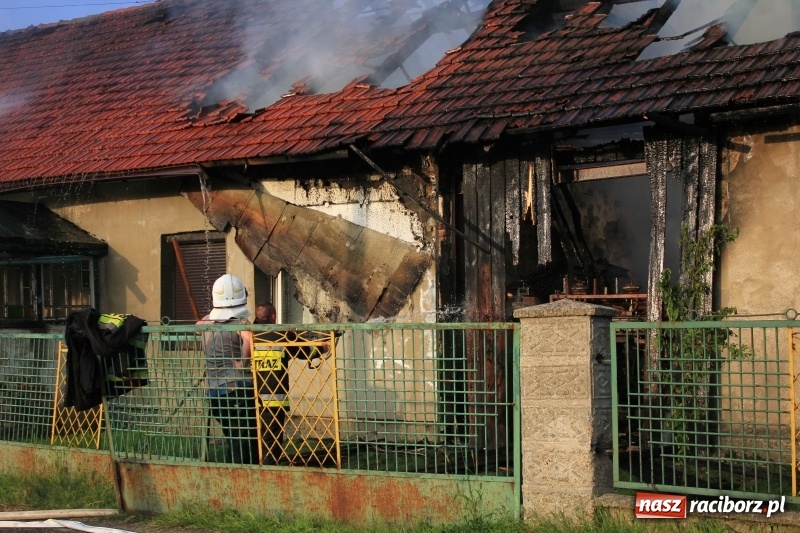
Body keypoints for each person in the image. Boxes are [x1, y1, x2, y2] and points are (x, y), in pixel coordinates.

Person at [196, 274, 258, 465]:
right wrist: (243, 362)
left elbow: (197, 327)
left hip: (215, 392)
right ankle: (244, 474)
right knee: (246, 437)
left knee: (232, 435)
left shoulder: (206, 322)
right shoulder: (240, 323)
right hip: (236, 387)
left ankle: (232, 471)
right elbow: (248, 339)